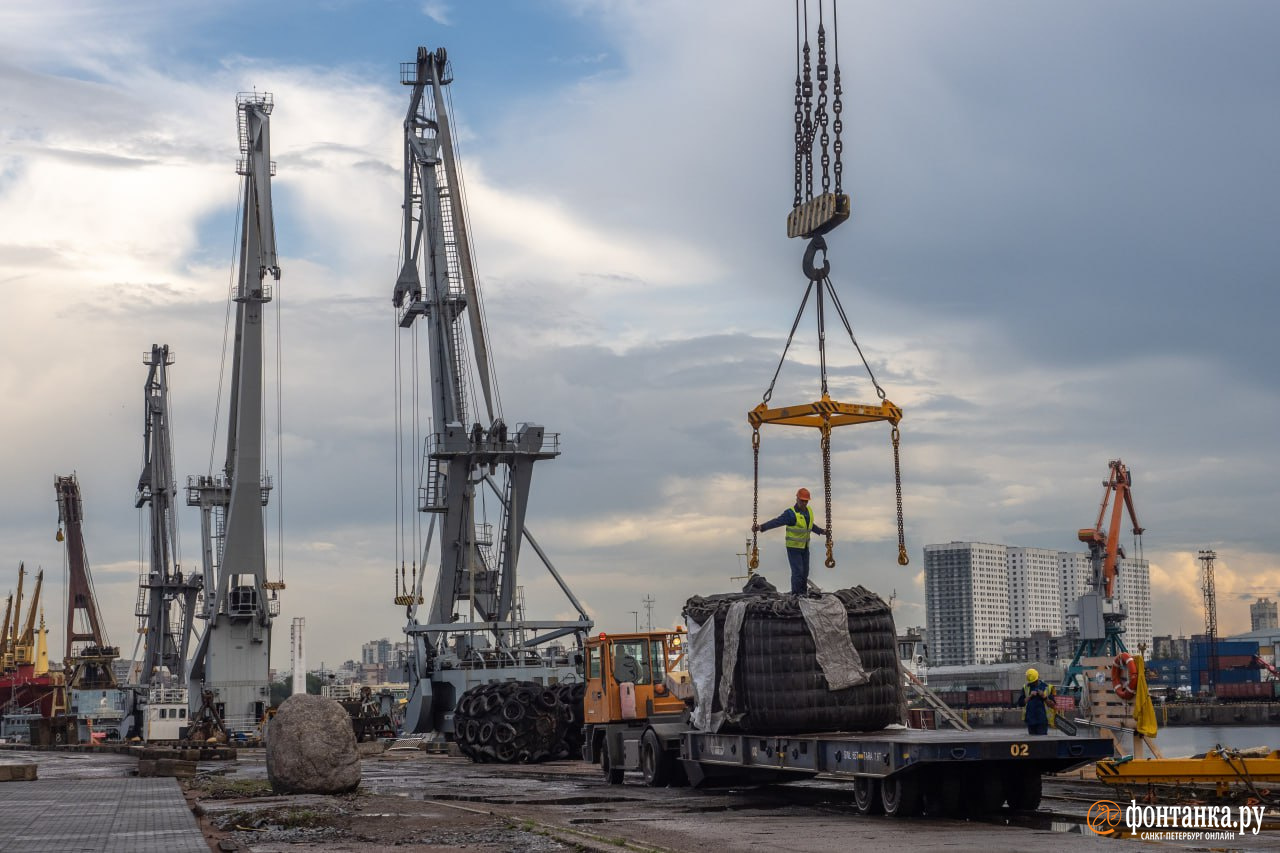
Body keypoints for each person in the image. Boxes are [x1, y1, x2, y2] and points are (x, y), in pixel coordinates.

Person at [752, 487, 827, 595]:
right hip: (794, 548)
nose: (804, 503)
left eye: (806, 501)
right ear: (797, 499)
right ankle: (796, 596)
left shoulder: (809, 512)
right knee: (798, 572)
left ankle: (803, 594)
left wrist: (821, 531)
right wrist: (761, 527)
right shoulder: (791, 514)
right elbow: (776, 522)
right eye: (802, 500)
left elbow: (809, 525)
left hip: (804, 547)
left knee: (805, 572)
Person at [1018, 667, 1053, 735]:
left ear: (1037, 679)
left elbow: (1052, 705)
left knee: (1042, 743)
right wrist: (1030, 696)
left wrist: (1044, 697)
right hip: (1030, 721)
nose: (1032, 683)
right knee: (1032, 743)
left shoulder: (1047, 687)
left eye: (1033, 682)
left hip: (1042, 721)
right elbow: (1021, 703)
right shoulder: (1026, 687)